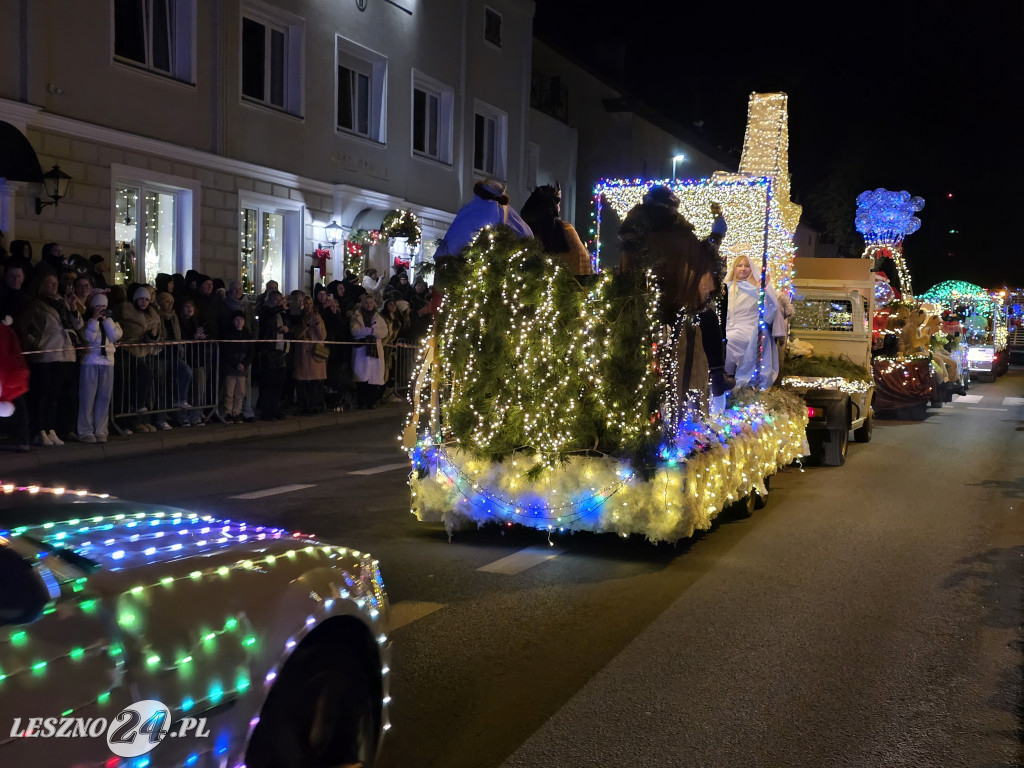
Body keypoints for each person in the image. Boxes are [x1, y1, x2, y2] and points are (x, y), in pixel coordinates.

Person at [19, 271, 83, 445]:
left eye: (55, 282)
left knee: (56, 395)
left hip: (64, 353)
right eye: (49, 282)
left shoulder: (62, 302)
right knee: (43, 394)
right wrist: (35, 343)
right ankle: (39, 430)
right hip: (46, 353)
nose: (53, 285)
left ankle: (51, 428)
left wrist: (73, 307)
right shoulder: (36, 304)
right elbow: (24, 326)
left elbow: (77, 325)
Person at [433, 179, 534, 276]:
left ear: (479, 193)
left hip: (473, 268)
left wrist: (443, 258)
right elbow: (527, 235)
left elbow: (457, 238)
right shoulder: (508, 212)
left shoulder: (475, 209)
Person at [724, 253, 781, 388]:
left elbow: (770, 309)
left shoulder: (756, 288)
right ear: (734, 268)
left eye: (747, 266)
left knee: (730, 340)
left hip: (748, 328)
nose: (743, 269)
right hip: (728, 327)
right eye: (740, 265)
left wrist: (763, 290)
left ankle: (735, 378)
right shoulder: (726, 287)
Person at [77, 291, 122, 443]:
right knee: (87, 398)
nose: (101, 309)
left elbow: (115, 336)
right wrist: (94, 320)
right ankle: (85, 430)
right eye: (98, 306)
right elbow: (89, 337)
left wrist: (107, 320)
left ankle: (101, 430)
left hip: (108, 362)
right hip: (91, 361)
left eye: (103, 306)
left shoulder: (112, 321)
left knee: (104, 398)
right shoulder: (89, 321)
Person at [519, 184, 592, 275]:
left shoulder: (523, 226)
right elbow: (581, 263)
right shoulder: (565, 228)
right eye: (558, 204)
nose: (559, 208)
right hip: (568, 282)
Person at [287, 291, 327, 415]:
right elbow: (297, 335)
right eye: (306, 303)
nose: (308, 306)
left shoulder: (318, 318)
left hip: (316, 354)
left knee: (316, 382)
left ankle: (315, 406)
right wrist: (306, 326)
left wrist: (316, 324)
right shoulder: (298, 318)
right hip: (302, 353)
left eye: (310, 303)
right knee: (302, 382)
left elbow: (322, 336)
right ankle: (303, 406)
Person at [350, 293, 387, 409]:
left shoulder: (378, 317)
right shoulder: (356, 316)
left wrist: (373, 332)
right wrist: (370, 331)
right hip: (362, 351)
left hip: (375, 351)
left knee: (374, 378)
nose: (369, 305)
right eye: (366, 303)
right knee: (362, 378)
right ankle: (362, 402)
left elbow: (383, 332)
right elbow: (355, 332)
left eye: (371, 303)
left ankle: (372, 402)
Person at [256, 289, 289, 420]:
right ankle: (267, 411)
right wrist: (280, 307)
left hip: (280, 351)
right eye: (276, 300)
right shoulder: (265, 310)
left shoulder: (280, 313)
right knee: (268, 384)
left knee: (278, 383)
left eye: (280, 300)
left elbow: (289, 322)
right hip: (268, 351)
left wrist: (287, 328)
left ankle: (276, 409)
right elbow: (267, 314)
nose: (279, 303)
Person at [221, 310, 254, 422]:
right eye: (236, 319)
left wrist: (244, 364)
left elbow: (251, 351)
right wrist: (236, 363)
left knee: (240, 392)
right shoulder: (229, 334)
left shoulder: (247, 334)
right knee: (229, 392)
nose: (239, 322)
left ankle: (237, 412)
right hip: (231, 366)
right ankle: (228, 412)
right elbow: (227, 351)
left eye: (241, 319)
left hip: (242, 367)